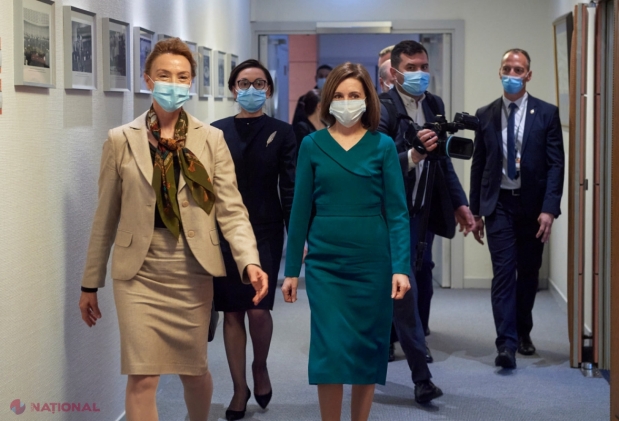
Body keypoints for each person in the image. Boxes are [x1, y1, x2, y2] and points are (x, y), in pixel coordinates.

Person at [78, 38, 268, 421]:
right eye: (164, 75)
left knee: (193, 372)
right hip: (138, 272)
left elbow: (231, 209)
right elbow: (105, 216)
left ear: (191, 82)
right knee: (142, 377)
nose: (173, 83)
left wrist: (249, 260)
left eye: (182, 76)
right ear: (148, 79)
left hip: (191, 269)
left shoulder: (211, 139)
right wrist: (89, 283)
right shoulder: (120, 140)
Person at [282, 62, 411, 421]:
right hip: (326, 265)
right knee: (330, 351)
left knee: (367, 349)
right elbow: (300, 210)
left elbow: (397, 212)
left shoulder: (383, 145)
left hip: (373, 263)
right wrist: (291, 270)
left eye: (354, 95)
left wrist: (400, 267)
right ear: (328, 100)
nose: (346, 102)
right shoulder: (312, 145)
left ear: (367, 99)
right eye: (338, 95)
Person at [378, 39, 475, 403]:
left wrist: (460, 204)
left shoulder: (434, 104)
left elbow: (443, 159)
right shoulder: (383, 108)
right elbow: (378, 160)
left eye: (423, 66)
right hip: (392, 212)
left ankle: (413, 341)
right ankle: (420, 372)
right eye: (411, 68)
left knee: (420, 278)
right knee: (404, 288)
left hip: (424, 209)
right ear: (394, 72)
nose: (420, 74)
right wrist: (413, 153)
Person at [211, 59, 297, 421]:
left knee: (259, 310)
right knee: (232, 311)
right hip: (224, 232)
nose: (251, 89)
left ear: (269, 90)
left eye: (259, 84)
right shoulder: (215, 132)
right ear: (233, 88)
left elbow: (290, 188)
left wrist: (298, 237)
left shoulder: (283, 132)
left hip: (266, 229)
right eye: (244, 83)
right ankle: (238, 387)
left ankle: (259, 366)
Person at [469, 48, 564, 369]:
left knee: (528, 273)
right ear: (500, 72)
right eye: (507, 68)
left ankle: (523, 331)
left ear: (528, 75)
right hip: (499, 206)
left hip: (533, 207)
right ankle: (506, 344)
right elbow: (479, 164)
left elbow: (556, 165)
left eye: (518, 70)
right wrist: (475, 211)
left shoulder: (547, 113)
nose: (512, 74)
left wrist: (550, 209)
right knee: (503, 273)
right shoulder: (485, 114)